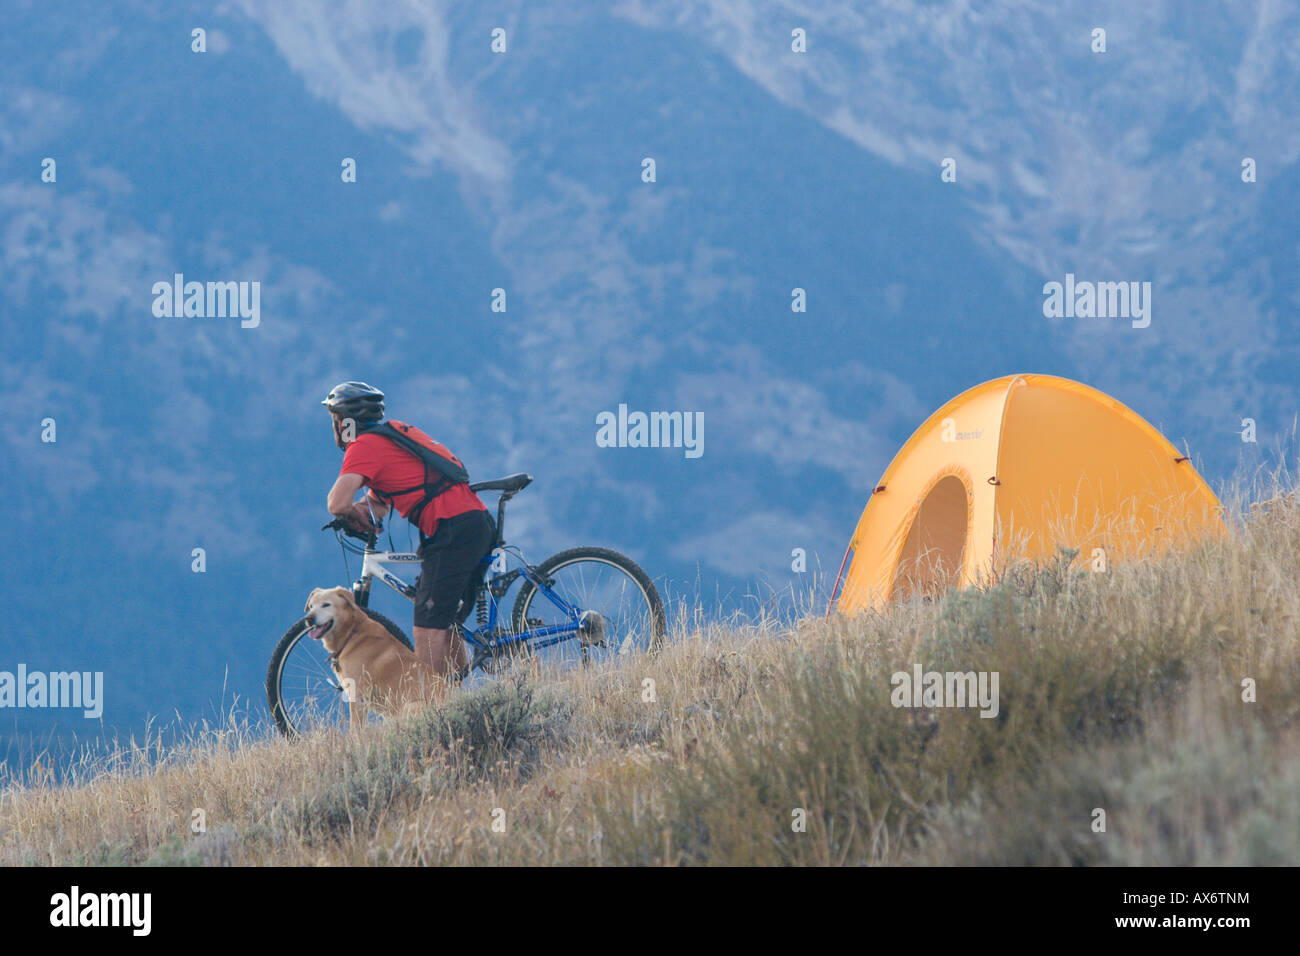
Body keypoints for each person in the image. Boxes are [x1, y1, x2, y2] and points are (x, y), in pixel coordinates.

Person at [320, 382, 495, 678]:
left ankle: (430, 708)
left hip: (451, 528)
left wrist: (348, 513)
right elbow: (378, 505)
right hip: (473, 523)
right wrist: (361, 514)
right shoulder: (390, 438)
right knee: (447, 618)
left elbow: (336, 503)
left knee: (427, 625)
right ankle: (451, 699)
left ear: (343, 421)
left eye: (334, 420)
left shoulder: (362, 446)